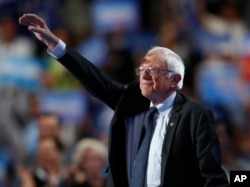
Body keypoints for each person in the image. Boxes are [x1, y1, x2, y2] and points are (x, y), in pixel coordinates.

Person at [19, 14, 229, 187]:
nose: (144, 75)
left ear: (175, 79)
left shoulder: (195, 115)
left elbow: (212, 177)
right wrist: (55, 45)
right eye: (142, 69)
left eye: (153, 70)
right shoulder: (131, 100)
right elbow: (95, 79)